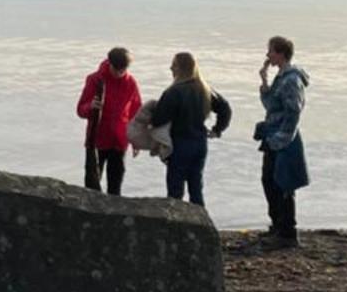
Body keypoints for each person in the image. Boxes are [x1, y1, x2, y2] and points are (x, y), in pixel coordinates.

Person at [149, 52, 232, 205]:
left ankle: (176, 224)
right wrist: (217, 129)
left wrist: (150, 113)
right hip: (200, 142)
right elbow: (225, 109)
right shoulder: (205, 89)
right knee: (196, 187)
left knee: (175, 190)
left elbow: (159, 119)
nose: (170, 68)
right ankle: (200, 223)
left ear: (179, 69)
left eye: (173, 65)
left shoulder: (173, 92)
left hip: (180, 144)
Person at [255, 35, 310, 249]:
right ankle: (277, 225)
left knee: (283, 183)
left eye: (270, 51)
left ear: (280, 53)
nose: (268, 55)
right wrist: (264, 82)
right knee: (269, 180)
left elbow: (294, 111)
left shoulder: (291, 79)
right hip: (273, 135)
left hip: (284, 139)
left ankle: (287, 231)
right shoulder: (281, 77)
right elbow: (271, 105)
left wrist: (282, 138)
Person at [77, 46, 141, 196]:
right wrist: (90, 106)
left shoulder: (131, 83)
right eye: (117, 69)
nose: (120, 73)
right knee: (92, 186)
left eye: (123, 69)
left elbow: (136, 113)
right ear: (110, 63)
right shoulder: (95, 80)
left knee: (115, 187)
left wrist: (135, 140)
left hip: (119, 141)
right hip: (97, 140)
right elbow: (80, 109)